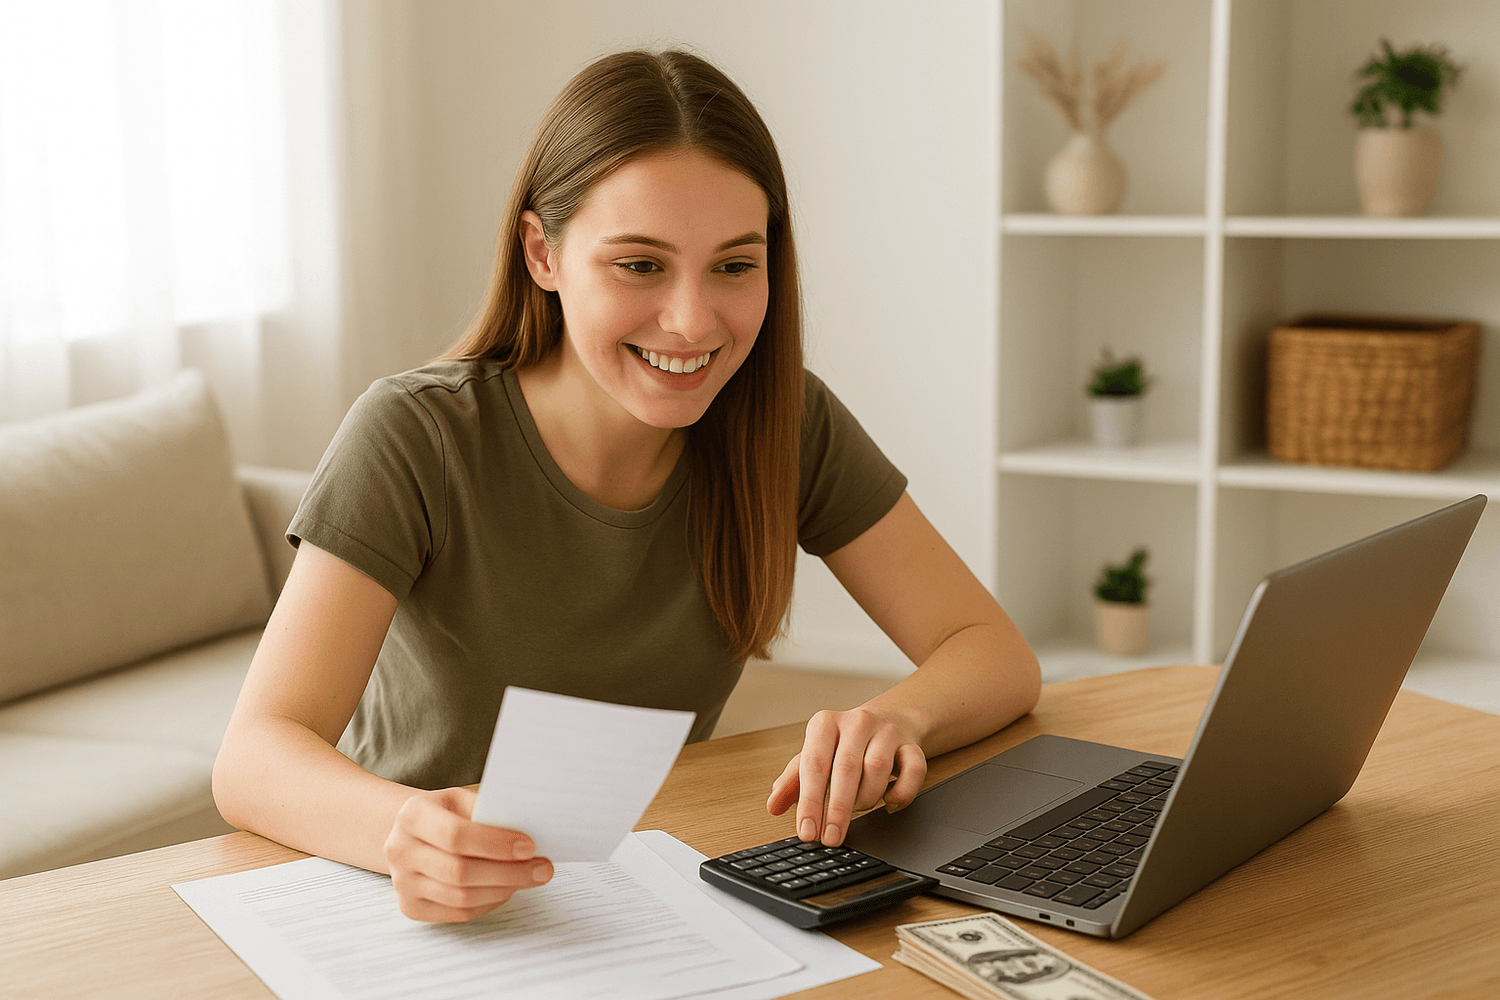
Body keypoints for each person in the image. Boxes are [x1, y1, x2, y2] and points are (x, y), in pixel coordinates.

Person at [213, 48, 1040, 924]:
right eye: (640, 265)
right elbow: (255, 756)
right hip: (405, 900)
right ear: (543, 253)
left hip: (642, 887)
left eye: (733, 265)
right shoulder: (417, 434)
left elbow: (992, 652)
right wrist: (401, 832)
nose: (692, 321)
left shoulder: (780, 418)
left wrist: (900, 719)